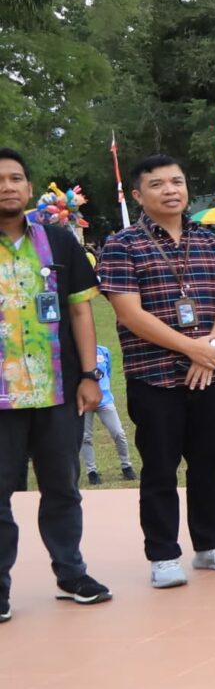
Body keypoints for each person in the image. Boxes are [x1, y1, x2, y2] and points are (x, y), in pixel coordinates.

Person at [95, 154, 215, 587]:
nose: (170, 191)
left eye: (177, 182)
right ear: (138, 194)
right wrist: (191, 349)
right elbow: (127, 312)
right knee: (160, 467)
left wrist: (212, 348)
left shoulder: (208, 240)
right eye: (158, 184)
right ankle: (163, 554)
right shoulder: (122, 244)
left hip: (211, 373)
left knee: (209, 461)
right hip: (155, 376)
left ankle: (212, 545)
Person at [0, 147, 110, 614]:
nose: (7, 186)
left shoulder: (60, 241)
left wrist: (90, 375)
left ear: (29, 187)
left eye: (16, 178)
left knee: (62, 487)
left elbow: (81, 309)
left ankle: (71, 572)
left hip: (56, 391)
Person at [80, 346, 133, 484]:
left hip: (105, 400)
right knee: (86, 437)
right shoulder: (78, 352)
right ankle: (92, 471)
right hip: (86, 401)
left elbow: (108, 372)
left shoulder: (104, 351)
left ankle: (126, 466)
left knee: (119, 433)